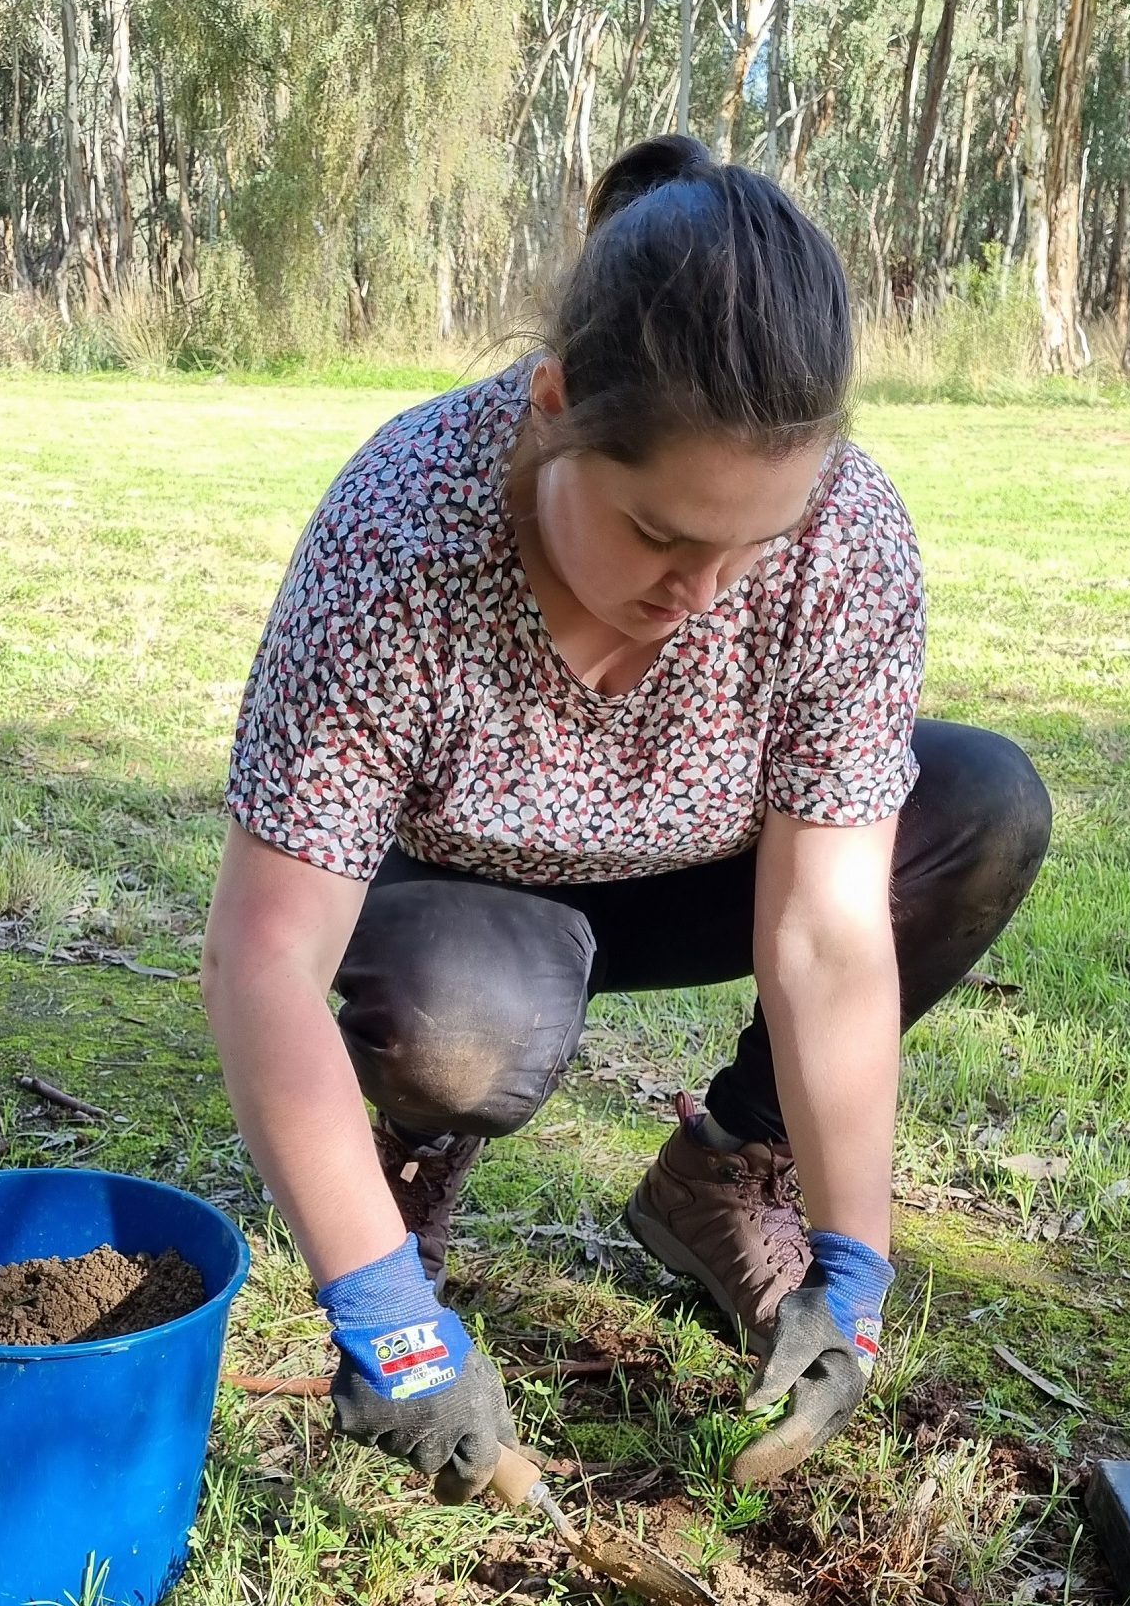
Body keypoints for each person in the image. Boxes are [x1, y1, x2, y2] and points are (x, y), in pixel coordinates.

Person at [201, 134, 1050, 1505]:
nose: (708, 592)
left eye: (753, 543)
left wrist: (859, 1264)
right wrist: (384, 1317)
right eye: (660, 534)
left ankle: (724, 1175)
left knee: (981, 803)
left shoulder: (848, 543)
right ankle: (399, 1164)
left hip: (704, 866)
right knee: (469, 1014)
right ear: (555, 409)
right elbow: (262, 957)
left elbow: (831, 933)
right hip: (458, 893)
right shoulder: (402, 534)